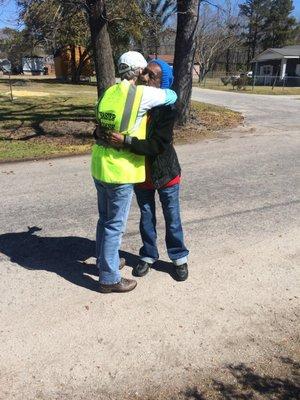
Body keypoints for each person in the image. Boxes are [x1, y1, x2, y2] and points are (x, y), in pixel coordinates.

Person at [92, 51, 178, 293]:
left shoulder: (108, 92)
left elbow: (100, 125)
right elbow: (171, 94)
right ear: (139, 71)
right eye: (145, 71)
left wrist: (99, 133)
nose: (147, 75)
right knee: (114, 226)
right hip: (120, 169)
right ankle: (109, 278)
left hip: (100, 165)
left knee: (104, 219)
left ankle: (103, 260)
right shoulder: (142, 94)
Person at [107, 59, 189, 281]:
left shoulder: (166, 109)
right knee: (146, 217)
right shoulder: (134, 101)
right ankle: (149, 255)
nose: (144, 77)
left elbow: (158, 145)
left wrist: (126, 142)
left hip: (166, 172)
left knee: (172, 218)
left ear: (162, 83)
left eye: (151, 75)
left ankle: (179, 257)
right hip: (140, 172)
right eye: (144, 72)